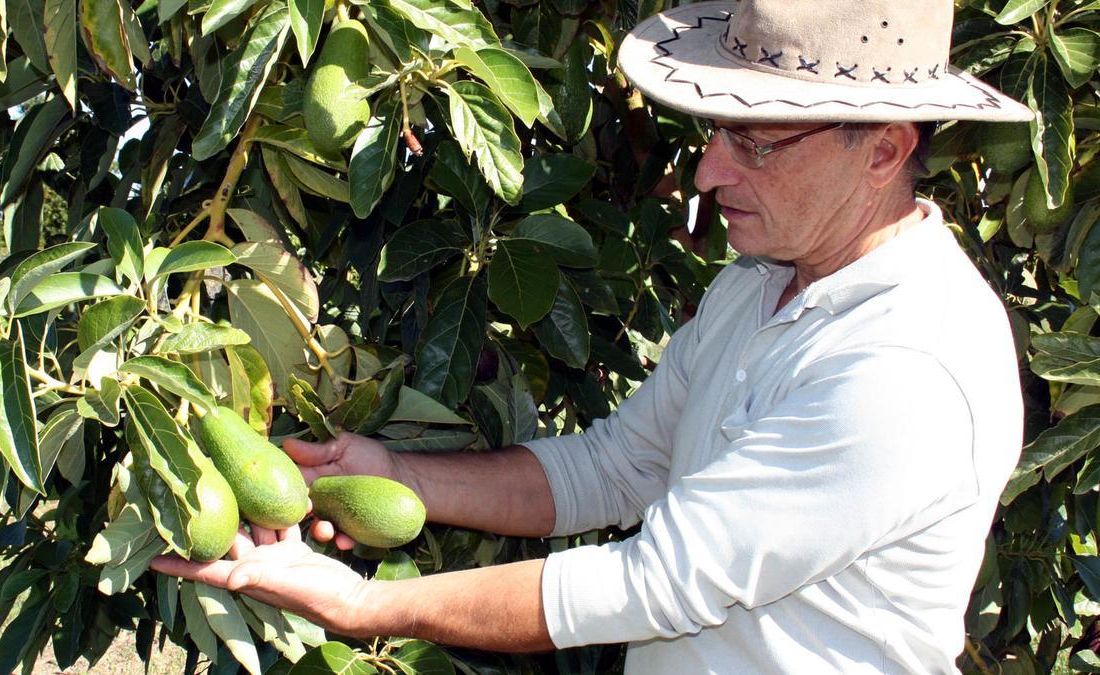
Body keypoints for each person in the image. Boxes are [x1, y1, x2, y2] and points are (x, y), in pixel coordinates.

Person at [153, 0, 1034, 671]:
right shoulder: (757, 285)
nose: (708, 169)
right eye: (717, 132)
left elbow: (654, 582)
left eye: (757, 143)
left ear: (882, 150)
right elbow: (615, 466)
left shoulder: (908, 363)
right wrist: (393, 472)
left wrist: (364, 605)